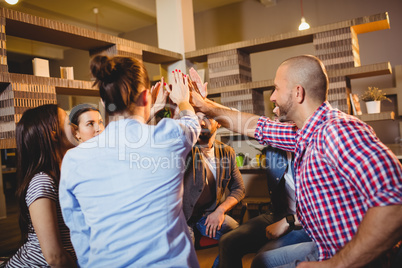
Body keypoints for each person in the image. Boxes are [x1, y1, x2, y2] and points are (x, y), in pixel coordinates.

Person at [190, 55, 402, 267]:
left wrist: (334, 264)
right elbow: (253, 125)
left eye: (276, 88)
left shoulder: (336, 131)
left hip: (351, 257)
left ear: (298, 92)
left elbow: (396, 201)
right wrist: (204, 105)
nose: (272, 96)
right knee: (262, 262)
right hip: (324, 247)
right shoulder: (302, 134)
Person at [59, 56, 201, 267]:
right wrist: (183, 100)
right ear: (146, 97)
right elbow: (191, 124)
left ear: (103, 104)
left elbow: (80, 232)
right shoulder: (168, 137)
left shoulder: (73, 159)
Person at [218, 143, 312, 268]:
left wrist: (288, 220)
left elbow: (324, 211)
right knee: (228, 241)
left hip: (307, 224)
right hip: (278, 214)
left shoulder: (314, 148)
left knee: (262, 259)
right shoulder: (274, 150)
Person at [6, 104, 77, 267]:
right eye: (68, 122)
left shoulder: (63, 174)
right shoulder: (42, 181)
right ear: (53, 134)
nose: (74, 126)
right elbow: (54, 257)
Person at [183, 112, 245, 244]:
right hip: (182, 218)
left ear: (219, 122)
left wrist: (220, 211)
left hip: (208, 214)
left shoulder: (227, 152)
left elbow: (239, 188)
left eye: (206, 117)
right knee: (185, 255)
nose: (201, 122)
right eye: (197, 118)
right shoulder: (184, 148)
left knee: (239, 237)